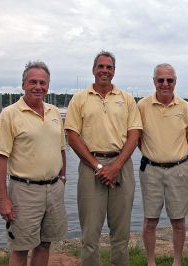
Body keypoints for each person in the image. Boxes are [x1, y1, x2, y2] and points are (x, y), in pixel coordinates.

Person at [64, 51, 142, 266]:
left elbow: (134, 135)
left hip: (122, 166)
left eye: (109, 67)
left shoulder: (126, 99)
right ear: (93, 69)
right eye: (101, 66)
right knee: (90, 235)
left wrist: (115, 166)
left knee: (121, 234)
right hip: (91, 168)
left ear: (114, 71)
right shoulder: (79, 99)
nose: (104, 71)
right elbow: (72, 136)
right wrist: (99, 166)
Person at [0, 61, 67, 266]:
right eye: (33, 82)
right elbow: (1, 159)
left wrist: (62, 179)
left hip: (53, 190)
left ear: (48, 86)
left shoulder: (54, 113)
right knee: (20, 248)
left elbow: (61, 149)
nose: (38, 86)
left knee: (45, 244)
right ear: (23, 84)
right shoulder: (10, 114)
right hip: (23, 192)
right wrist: (3, 199)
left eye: (42, 83)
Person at [138, 63, 188, 266]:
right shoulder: (142, 106)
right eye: (160, 79)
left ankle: (177, 262)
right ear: (154, 81)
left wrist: (178, 159)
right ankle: (151, 262)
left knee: (178, 222)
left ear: (175, 82)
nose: (165, 84)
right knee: (150, 221)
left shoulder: (186, 107)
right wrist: (154, 154)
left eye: (169, 80)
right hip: (151, 171)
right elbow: (137, 137)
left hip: (179, 171)